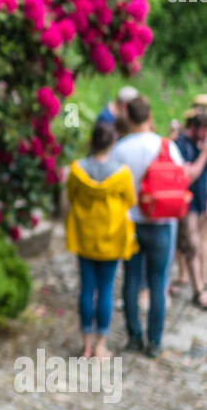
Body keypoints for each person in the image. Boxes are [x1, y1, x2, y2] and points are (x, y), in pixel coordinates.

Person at [109, 95, 207, 356]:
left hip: (132, 223)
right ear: (150, 116)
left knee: (131, 280)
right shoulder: (166, 146)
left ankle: (134, 336)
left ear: (128, 117)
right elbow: (183, 178)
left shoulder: (121, 149)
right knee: (158, 283)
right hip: (162, 223)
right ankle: (155, 342)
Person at [66, 119, 136, 359]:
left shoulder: (77, 169)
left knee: (87, 288)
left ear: (91, 141)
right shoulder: (122, 173)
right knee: (106, 290)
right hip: (111, 236)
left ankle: (85, 343)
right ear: (113, 143)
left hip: (85, 235)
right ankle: (100, 345)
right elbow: (130, 200)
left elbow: (71, 196)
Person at [174, 109, 207, 307]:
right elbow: (190, 175)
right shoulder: (182, 145)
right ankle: (198, 289)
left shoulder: (198, 143)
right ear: (195, 128)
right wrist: (204, 154)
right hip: (185, 204)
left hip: (200, 203)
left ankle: (199, 282)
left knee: (194, 244)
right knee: (191, 245)